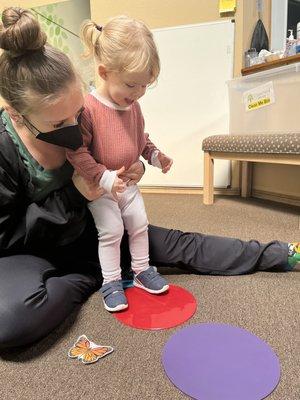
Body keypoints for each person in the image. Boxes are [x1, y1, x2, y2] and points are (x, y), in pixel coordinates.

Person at [0, 7, 298, 349]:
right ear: (16, 114)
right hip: (32, 251)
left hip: (94, 226)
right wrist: (71, 196)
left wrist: (139, 164)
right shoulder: (5, 150)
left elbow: (126, 145)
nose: (74, 128)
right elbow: (7, 238)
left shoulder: (90, 117)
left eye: (78, 113)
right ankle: (94, 274)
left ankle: (281, 253)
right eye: (57, 125)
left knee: (179, 245)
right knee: (11, 321)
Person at [66, 16, 173, 312]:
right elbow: (78, 153)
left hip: (127, 186)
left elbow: (140, 139)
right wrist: (104, 179)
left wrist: (154, 156)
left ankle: (141, 270)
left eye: (144, 86)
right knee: (112, 230)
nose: (138, 93)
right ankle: (111, 281)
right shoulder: (88, 108)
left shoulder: (133, 105)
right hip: (101, 189)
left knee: (139, 224)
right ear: (104, 72)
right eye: (131, 85)